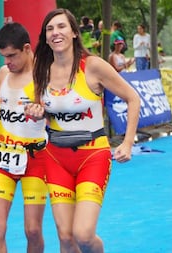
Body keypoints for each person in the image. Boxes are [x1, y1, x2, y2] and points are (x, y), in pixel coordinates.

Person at [28, 8, 140, 253]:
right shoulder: (41, 69)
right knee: (66, 238)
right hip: (56, 158)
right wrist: (37, 112)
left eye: (61, 27)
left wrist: (128, 142)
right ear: (45, 37)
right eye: (50, 29)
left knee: (83, 235)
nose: (55, 32)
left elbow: (133, 98)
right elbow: (43, 109)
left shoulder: (93, 66)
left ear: (75, 33)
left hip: (92, 156)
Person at [0, 22, 48, 253]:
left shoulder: (43, 74)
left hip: (35, 159)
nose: (7, 62)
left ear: (27, 48)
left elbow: (56, 112)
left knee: (33, 230)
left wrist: (43, 111)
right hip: (3, 158)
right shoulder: (3, 73)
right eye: (4, 57)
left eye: (12, 56)